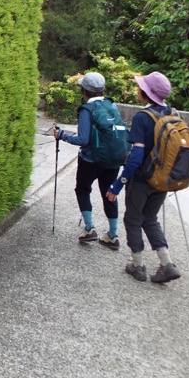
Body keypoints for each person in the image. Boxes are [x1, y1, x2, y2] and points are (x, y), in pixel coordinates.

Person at [106, 72, 181, 284]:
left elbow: (137, 155)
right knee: (150, 218)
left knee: (133, 219)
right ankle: (167, 264)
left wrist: (119, 183)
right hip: (164, 179)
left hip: (142, 180)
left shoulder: (142, 117)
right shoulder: (173, 113)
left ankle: (138, 266)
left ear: (145, 93)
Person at [54, 72, 121, 248]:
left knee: (83, 190)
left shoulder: (86, 110)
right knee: (109, 194)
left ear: (84, 91)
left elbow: (83, 140)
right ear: (102, 90)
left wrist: (62, 136)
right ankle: (113, 235)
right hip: (112, 160)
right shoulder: (111, 105)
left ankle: (90, 229)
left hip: (90, 160)